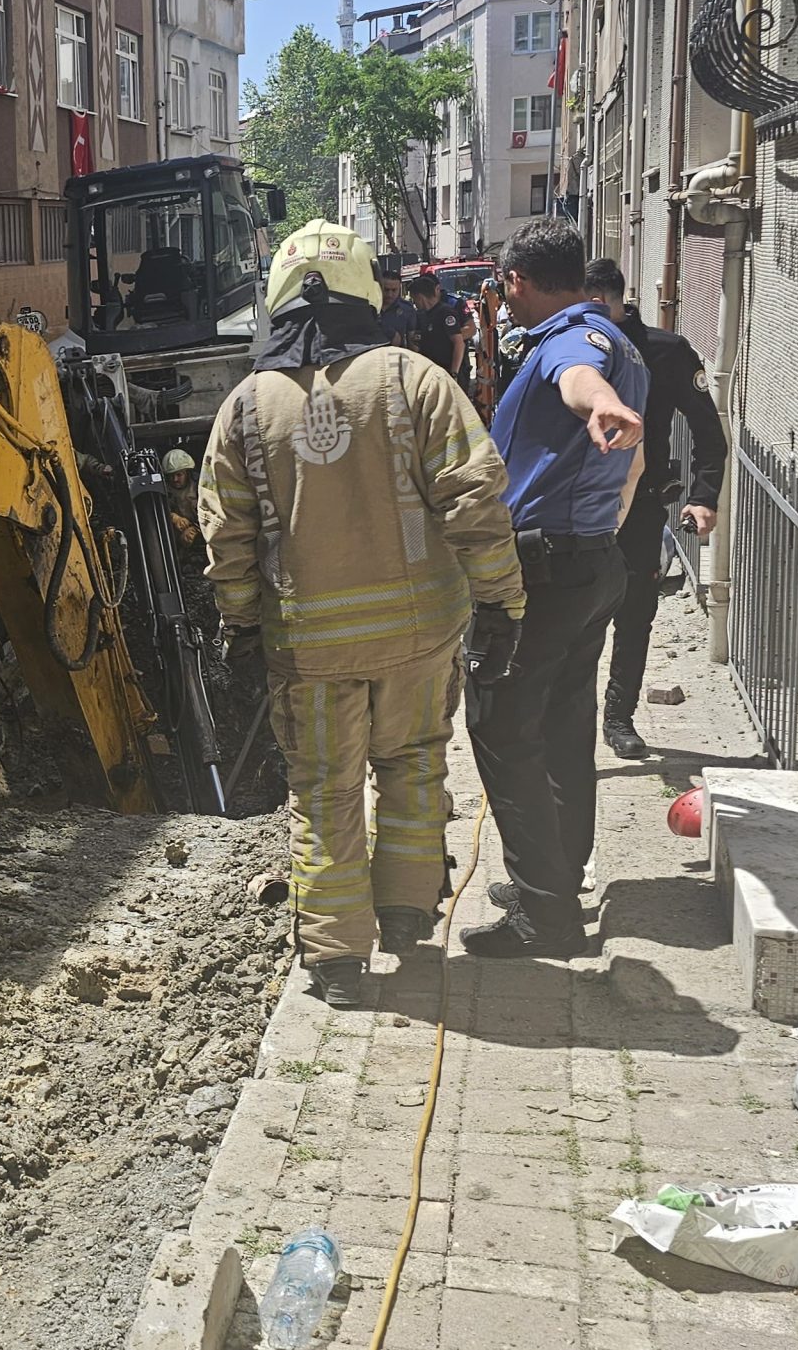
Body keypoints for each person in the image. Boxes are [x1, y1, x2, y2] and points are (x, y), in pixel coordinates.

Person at [198, 221, 526, 1008]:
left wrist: (240, 625)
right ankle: (408, 913)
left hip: (308, 649)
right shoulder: (414, 382)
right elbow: (475, 498)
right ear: (363, 291)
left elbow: (227, 533)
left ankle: (337, 960)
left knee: (324, 791)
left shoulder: (245, 406)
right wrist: (501, 602)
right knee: (414, 762)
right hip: (419, 638)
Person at [461, 220, 648, 959]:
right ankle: (556, 879)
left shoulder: (570, 343)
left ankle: (546, 913)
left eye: (506, 291)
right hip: (590, 562)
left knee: (501, 726)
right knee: (565, 726)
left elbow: (578, 379)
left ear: (517, 281)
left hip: (544, 571)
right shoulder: (618, 336)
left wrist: (598, 404)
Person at [580, 261, 728, 758]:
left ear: (617, 300)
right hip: (578, 509)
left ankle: (619, 719)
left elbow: (709, 430)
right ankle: (570, 721)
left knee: (636, 614)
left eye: (600, 304)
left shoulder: (664, 353)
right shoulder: (569, 349)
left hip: (640, 507)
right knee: (574, 617)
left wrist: (705, 497)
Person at [407, 273, 473, 381]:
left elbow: (459, 343)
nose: (414, 303)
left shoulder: (446, 313)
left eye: (414, 300)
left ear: (420, 297)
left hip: (448, 371)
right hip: (433, 372)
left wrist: (454, 374)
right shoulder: (423, 315)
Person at [377, 274, 421, 349]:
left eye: (394, 290)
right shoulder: (369, 307)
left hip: (396, 356)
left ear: (399, 289)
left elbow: (412, 341)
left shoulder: (407, 309)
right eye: (386, 290)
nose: (390, 294)